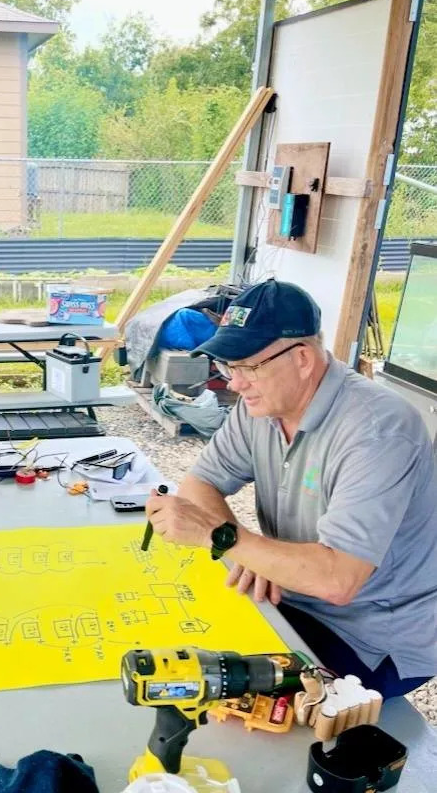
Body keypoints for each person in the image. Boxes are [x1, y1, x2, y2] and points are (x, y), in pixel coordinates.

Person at [146, 280, 437, 699]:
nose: (234, 384)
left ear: (302, 358)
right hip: (293, 595)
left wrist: (223, 539)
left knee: (205, 691)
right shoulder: (263, 406)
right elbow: (201, 481)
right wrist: (246, 552)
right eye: (229, 367)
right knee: (169, 650)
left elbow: (339, 580)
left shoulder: (378, 431)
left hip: (369, 636)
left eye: (248, 367)